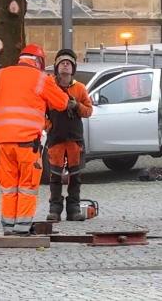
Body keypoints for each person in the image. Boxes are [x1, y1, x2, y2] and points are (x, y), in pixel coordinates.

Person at [0, 44, 69, 235]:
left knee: (8, 187)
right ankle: (22, 228)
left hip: (3, 142)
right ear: (39, 61)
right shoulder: (42, 79)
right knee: (27, 186)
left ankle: (8, 226)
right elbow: (62, 103)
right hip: (27, 143)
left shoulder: (1, 75)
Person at [45, 48, 93, 222]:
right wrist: (48, 126)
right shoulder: (49, 88)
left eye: (68, 63)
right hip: (56, 137)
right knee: (55, 176)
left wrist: (76, 106)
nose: (65, 66)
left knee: (75, 176)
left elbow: (89, 111)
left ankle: (73, 209)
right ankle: (55, 209)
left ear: (73, 68)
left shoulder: (80, 89)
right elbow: (40, 111)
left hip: (74, 138)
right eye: (62, 63)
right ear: (57, 67)